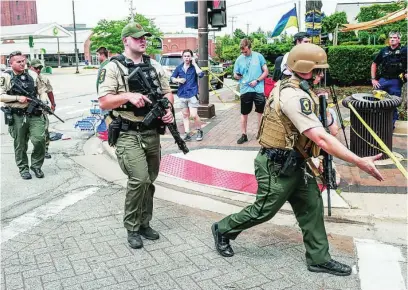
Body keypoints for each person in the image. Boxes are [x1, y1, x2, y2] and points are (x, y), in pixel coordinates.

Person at [211, 43, 384, 276]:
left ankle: (319, 258)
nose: (321, 75)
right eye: (317, 70)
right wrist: (358, 161)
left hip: (297, 163)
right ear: (302, 68)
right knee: (264, 211)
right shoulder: (293, 95)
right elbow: (321, 139)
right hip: (276, 166)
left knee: (312, 206)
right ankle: (223, 229)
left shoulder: (297, 87)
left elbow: (321, 127)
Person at [98, 22, 174, 249]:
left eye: (144, 38)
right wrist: (128, 96)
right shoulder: (113, 67)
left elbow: (168, 93)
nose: (143, 40)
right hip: (127, 132)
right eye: (138, 37)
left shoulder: (154, 65)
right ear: (126, 41)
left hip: (151, 132)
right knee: (139, 179)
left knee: (149, 181)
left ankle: (144, 223)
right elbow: (104, 101)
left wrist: (168, 110)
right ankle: (132, 227)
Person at [0, 51, 48, 179]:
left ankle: (36, 166)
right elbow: (1, 96)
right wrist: (17, 97)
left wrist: (43, 101)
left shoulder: (32, 74)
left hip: (35, 113)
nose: (22, 64)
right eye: (18, 62)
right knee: (20, 144)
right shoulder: (6, 77)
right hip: (17, 115)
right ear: (11, 63)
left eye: (23, 61)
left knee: (39, 140)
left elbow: (42, 90)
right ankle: (23, 169)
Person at [234, 38, 269, 144]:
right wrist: (237, 76)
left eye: (246, 51)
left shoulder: (259, 56)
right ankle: (244, 134)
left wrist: (257, 80)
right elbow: (235, 74)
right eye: (242, 52)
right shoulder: (239, 59)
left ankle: (260, 133)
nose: (244, 53)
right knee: (244, 113)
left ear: (250, 47)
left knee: (260, 112)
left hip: (258, 88)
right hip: (245, 89)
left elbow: (266, 71)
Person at [371, 31, 407, 127]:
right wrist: (373, 79)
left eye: (395, 37)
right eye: (391, 37)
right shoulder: (384, 51)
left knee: (392, 103)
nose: (392, 39)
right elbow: (374, 64)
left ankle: (390, 126)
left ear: (399, 39)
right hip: (383, 80)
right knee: (376, 98)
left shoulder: (405, 50)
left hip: (396, 81)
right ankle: (377, 122)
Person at [170, 49, 204, 141]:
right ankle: (187, 133)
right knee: (185, 115)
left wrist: (195, 63)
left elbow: (201, 75)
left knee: (193, 115)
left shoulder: (194, 67)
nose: (187, 58)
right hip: (182, 94)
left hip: (192, 94)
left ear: (191, 57)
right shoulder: (179, 68)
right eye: (185, 56)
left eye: (188, 56)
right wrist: (178, 80)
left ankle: (199, 130)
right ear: (182, 57)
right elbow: (172, 78)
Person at [29, 59, 56, 159]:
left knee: (45, 129)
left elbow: (49, 91)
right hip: (29, 109)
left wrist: (53, 104)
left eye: (40, 68)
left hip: (42, 108)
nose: (38, 70)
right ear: (30, 67)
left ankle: (45, 150)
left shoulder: (44, 78)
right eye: (36, 68)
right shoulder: (28, 78)